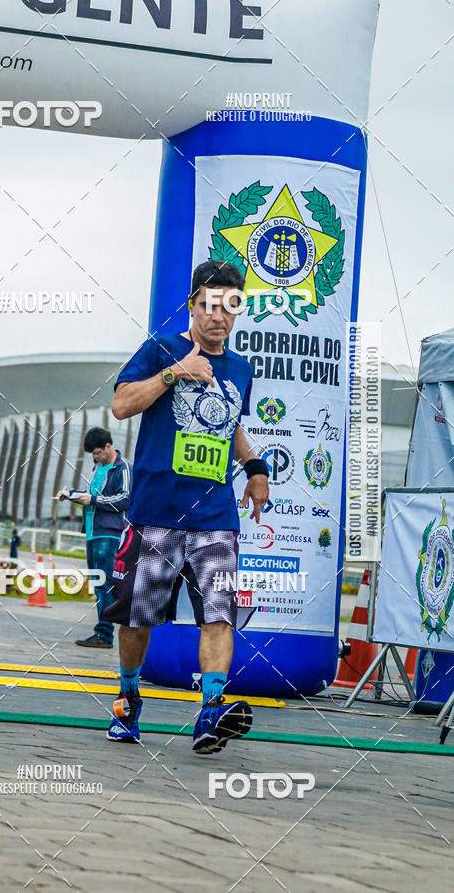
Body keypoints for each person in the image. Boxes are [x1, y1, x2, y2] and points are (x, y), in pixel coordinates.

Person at [103, 260, 269, 754]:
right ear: (193, 304)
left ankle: (210, 713)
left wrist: (255, 466)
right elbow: (121, 404)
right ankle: (128, 701)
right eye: (210, 306)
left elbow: (229, 423)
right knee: (136, 618)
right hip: (155, 513)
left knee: (219, 615)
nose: (219, 317)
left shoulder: (240, 368)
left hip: (215, 517)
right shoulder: (162, 348)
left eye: (230, 307)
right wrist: (177, 372)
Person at [58, 427, 131, 649]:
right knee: (99, 583)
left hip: (109, 533)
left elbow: (125, 498)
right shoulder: (97, 467)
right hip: (92, 532)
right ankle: (103, 632)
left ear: (108, 446)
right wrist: (72, 495)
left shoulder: (123, 468)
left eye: (97, 452)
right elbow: (93, 495)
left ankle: (105, 634)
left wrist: (94, 500)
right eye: (92, 454)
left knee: (105, 584)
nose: (95, 457)